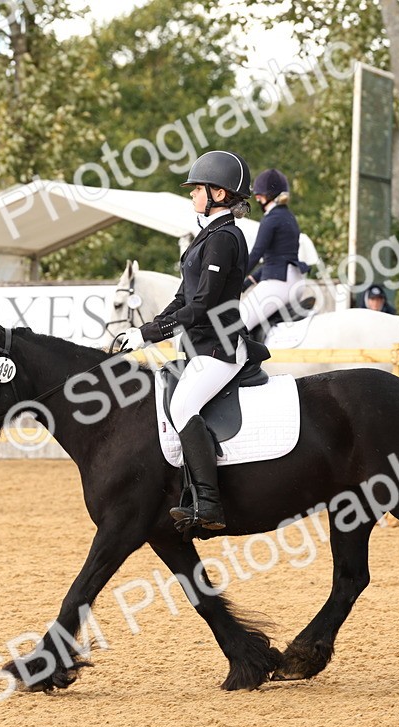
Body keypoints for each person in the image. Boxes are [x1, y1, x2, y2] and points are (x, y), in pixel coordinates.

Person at [120, 150, 254, 533]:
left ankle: (210, 504)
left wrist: (148, 335)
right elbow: (183, 298)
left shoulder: (225, 238)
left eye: (199, 188)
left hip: (219, 348)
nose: (193, 195)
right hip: (197, 347)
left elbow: (203, 305)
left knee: (182, 406)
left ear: (220, 194)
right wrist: (145, 331)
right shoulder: (206, 237)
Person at [240, 168, 305, 332]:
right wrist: (246, 283)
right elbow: (274, 260)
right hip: (296, 281)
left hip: (279, 283)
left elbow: (256, 254)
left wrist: (234, 277)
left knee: (234, 327)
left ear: (264, 197)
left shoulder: (271, 219)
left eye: (258, 196)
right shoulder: (289, 217)